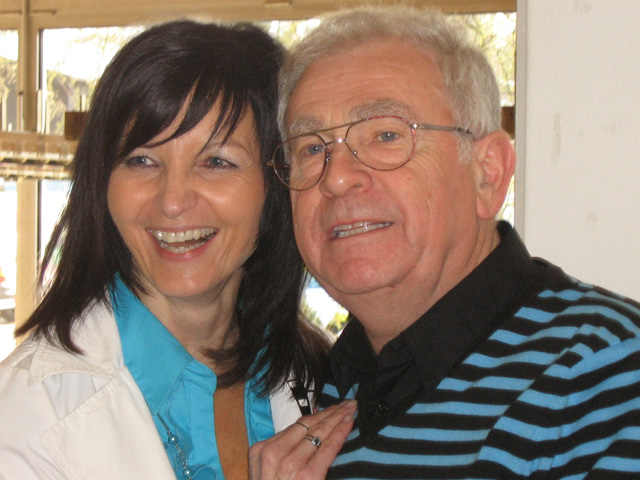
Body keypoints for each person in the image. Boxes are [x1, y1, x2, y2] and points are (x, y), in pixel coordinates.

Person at [249, 5, 640, 479]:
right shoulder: (316, 390)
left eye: (386, 135)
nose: (337, 178)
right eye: (312, 148)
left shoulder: (607, 372)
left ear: (487, 174)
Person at [0, 19, 330, 480]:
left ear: (275, 184)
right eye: (141, 160)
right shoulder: (26, 416)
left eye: (217, 162)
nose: (172, 201)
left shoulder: (319, 371)